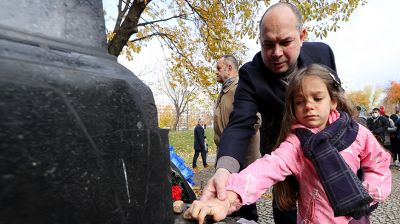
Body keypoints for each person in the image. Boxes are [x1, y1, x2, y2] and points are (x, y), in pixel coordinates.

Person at [184, 64, 392, 224]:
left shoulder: (357, 133)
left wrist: (366, 192)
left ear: (333, 101)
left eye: (317, 98)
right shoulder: (296, 144)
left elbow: (379, 164)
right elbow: (265, 169)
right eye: (300, 101)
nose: (309, 106)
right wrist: (229, 197)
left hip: (355, 218)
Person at [201, 2, 339, 223]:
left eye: (285, 42)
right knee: (285, 212)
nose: (276, 53)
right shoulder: (250, 75)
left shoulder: (323, 53)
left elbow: (338, 104)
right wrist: (224, 171)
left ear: (302, 35)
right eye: (267, 44)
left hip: (329, 155)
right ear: (259, 40)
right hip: (281, 160)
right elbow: (240, 125)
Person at [213, 55, 262, 219]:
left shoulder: (239, 89)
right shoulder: (226, 90)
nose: (216, 72)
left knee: (245, 204)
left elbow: (256, 119)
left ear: (229, 68)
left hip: (241, 157)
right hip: (229, 157)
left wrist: (236, 142)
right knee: (234, 204)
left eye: (219, 68)